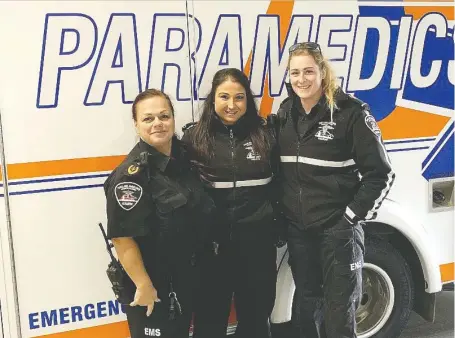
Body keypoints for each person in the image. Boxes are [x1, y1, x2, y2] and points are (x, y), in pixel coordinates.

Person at [273, 42, 395, 338]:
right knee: (306, 306)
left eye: (308, 72)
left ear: (323, 73)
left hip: (337, 231)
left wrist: (350, 218)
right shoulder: (287, 112)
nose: (301, 79)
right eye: (295, 72)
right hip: (300, 231)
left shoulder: (350, 113)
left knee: (339, 311)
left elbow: (381, 174)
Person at [103, 89, 214, 338]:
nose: (158, 124)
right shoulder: (131, 176)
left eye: (164, 116)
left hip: (186, 280)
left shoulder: (185, 160)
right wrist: (143, 284)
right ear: (136, 125)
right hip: (154, 286)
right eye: (148, 118)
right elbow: (122, 238)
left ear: (173, 119)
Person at [182, 68, 283, 338]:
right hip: (212, 251)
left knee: (256, 320)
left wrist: (278, 227)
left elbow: (283, 184)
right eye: (224, 96)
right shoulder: (194, 139)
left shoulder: (266, 135)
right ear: (212, 100)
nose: (231, 105)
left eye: (239, 97)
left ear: (247, 101)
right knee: (209, 321)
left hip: (257, 247)